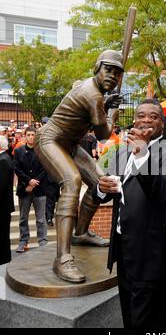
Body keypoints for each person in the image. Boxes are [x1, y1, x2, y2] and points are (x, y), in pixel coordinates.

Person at [34, 50, 124, 283]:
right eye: (108, 69)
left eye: (117, 72)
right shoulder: (92, 94)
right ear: (97, 68)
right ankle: (62, 259)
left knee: (101, 183)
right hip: (50, 140)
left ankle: (81, 232)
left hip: (70, 145)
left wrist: (105, 105)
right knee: (72, 181)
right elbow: (104, 134)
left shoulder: (97, 96)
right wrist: (112, 111)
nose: (113, 76)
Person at [96, 99, 166, 328]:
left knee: (148, 316)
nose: (146, 120)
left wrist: (142, 155)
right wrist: (101, 188)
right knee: (129, 310)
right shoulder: (122, 152)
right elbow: (107, 188)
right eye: (141, 115)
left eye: (153, 116)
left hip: (151, 251)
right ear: (134, 119)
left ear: (162, 122)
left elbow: (161, 192)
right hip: (124, 245)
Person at [14, 127, 48, 252]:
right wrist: (28, 181)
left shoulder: (42, 151)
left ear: (36, 136)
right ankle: (23, 241)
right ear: (25, 136)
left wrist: (33, 183)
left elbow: (45, 168)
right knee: (23, 218)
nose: (31, 137)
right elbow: (17, 169)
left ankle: (43, 241)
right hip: (24, 189)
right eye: (28, 135)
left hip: (40, 189)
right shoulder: (18, 151)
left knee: (41, 219)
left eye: (33, 135)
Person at [0, 136, 15, 265]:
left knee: (2, 234)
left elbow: (1, 185)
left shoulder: (3, 160)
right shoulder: (4, 158)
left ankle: (3, 258)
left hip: (2, 205)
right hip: (3, 205)